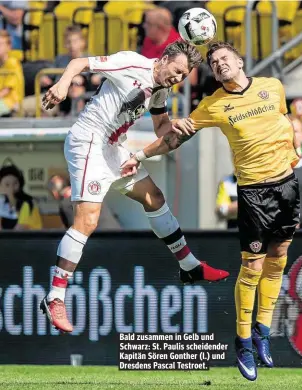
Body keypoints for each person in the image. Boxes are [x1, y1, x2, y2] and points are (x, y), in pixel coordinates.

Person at [120, 41, 300, 381]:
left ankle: (263, 330)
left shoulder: (272, 87)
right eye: (214, 63)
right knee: (253, 267)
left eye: (223, 59)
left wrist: (295, 157)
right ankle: (244, 342)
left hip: (288, 185)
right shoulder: (213, 105)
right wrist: (139, 156)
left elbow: (285, 124)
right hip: (254, 193)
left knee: (279, 259)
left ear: (240, 60)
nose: (219, 65)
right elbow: (174, 139)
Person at [39, 40, 229, 334]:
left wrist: (179, 129)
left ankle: (190, 266)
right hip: (89, 140)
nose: (177, 78)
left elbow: (163, 131)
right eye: (176, 70)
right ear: (164, 58)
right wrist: (63, 85)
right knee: (87, 220)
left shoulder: (162, 89)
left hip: (113, 147)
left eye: (183, 76)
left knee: (154, 198)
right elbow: (80, 64)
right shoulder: (131, 63)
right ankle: (55, 297)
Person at [48, 174, 121, 230]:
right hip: (118, 237)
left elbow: (75, 232)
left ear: (55, 193)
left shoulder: (66, 204)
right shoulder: (91, 193)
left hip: (101, 241)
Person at [0, 164, 42, 230]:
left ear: (20, 184)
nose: (11, 188)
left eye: (15, 183)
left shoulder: (28, 203)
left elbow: (25, 227)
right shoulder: (2, 203)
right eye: (7, 184)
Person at [0, 29, 24, 117]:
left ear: (9, 46)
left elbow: (6, 90)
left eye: (1, 44)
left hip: (10, 102)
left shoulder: (12, 63)